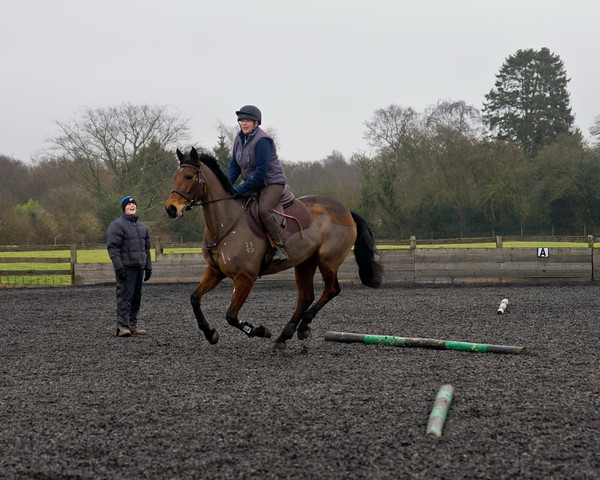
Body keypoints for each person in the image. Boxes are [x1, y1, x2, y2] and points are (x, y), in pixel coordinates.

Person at [227, 105, 289, 264]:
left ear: (256, 123)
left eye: (247, 120)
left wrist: (240, 189)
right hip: (252, 183)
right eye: (241, 120)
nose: (244, 123)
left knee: (263, 210)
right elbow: (234, 166)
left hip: (271, 182)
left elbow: (261, 171)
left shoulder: (263, 140)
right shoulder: (238, 139)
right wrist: (227, 186)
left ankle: (279, 247)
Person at [106, 196, 152, 337]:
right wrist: (119, 267)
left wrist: (148, 267)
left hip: (139, 266)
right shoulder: (117, 225)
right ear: (124, 208)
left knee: (136, 297)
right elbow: (113, 248)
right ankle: (122, 326)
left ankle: (132, 325)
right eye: (129, 204)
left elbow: (147, 249)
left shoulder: (142, 227)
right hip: (126, 267)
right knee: (125, 296)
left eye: (134, 204)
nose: (132, 206)